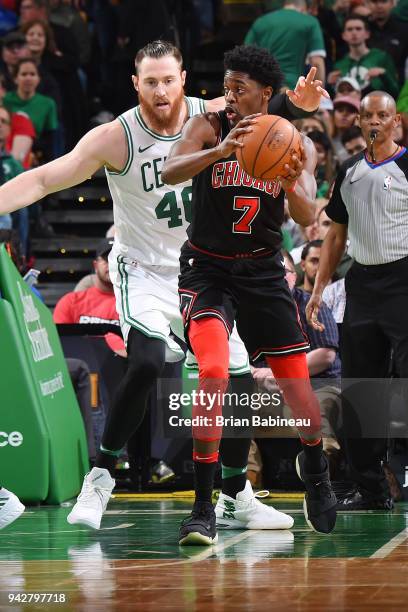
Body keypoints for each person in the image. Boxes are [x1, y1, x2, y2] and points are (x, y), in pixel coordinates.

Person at [0, 40, 329, 537]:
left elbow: (261, 108)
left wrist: (295, 102)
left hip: (209, 267)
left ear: (183, 81)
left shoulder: (212, 111)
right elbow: (47, 178)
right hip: (147, 270)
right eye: (149, 81)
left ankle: (235, 493)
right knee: (150, 361)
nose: (160, 90)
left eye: (168, 80)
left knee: (237, 375)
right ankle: (102, 476)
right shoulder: (118, 136)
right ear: (136, 84)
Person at [162, 44, 337, 543]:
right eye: (227, 84)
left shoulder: (286, 137)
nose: (229, 95)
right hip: (208, 270)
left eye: (240, 88)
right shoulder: (210, 127)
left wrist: (288, 181)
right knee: (214, 371)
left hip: (262, 270)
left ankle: (314, 464)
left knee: (297, 384)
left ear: (265, 94)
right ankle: (203, 505)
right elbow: (172, 172)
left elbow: (307, 219)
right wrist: (217, 154)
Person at [306, 90, 407, 510]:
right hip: (361, 283)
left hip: (404, 278)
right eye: (367, 116)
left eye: (382, 115)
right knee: (361, 390)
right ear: (359, 121)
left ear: (395, 120)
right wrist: (316, 289)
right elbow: (335, 235)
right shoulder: (348, 171)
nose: (374, 122)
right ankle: (371, 490)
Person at [244, 0, 326, 89]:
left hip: (262, 89)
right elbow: (317, 62)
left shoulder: (260, 22)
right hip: (292, 89)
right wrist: (319, 95)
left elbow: (244, 58)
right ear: (303, 8)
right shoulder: (310, 22)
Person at [328, 15, 400, 98]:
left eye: (358, 29)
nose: (354, 32)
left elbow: (396, 92)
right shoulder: (339, 65)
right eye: (349, 29)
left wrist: (384, 75)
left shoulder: (382, 57)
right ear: (343, 35)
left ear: (367, 34)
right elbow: (334, 98)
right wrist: (330, 85)